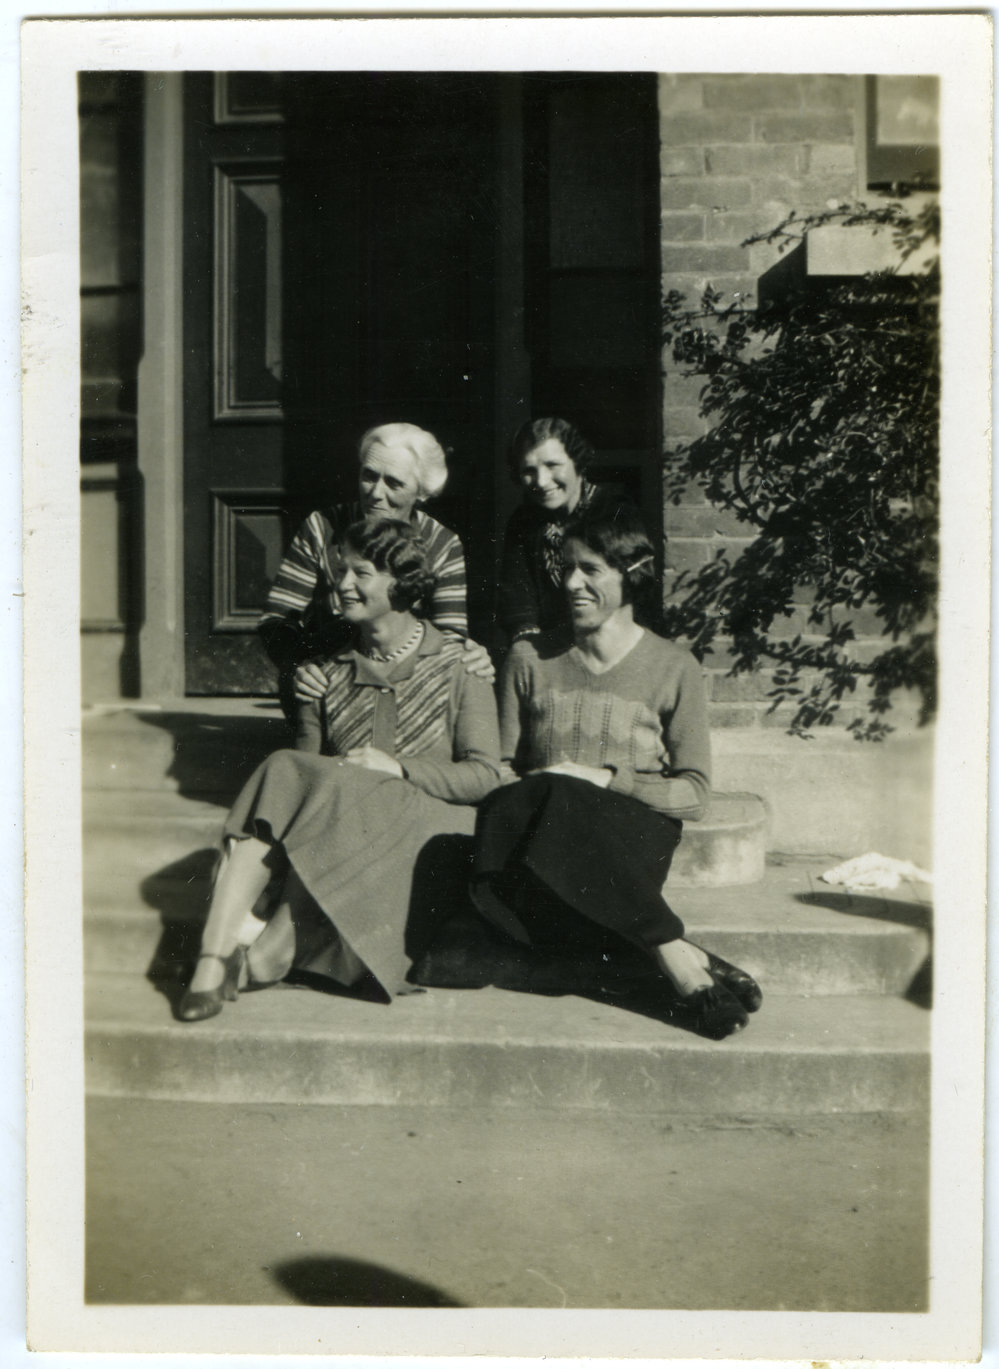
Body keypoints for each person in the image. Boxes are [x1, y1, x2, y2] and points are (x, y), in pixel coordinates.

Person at [178, 517, 501, 1022]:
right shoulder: (326, 669)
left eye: (361, 573)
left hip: (429, 832)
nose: (341, 583)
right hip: (346, 827)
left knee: (361, 789)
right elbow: (306, 780)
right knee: (289, 767)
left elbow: (486, 775)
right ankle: (212, 959)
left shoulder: (460, 666)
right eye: (341, 570)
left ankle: (263, 958)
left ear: (402, 582)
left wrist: (397, 768)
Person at [472, 503, 762, 1040]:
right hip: (541, 842)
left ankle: (674, 959)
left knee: (567, 790)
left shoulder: (674, 667)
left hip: (630, 838)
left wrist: (606, 779)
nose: (571, 584)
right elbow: (499, 771)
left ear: (632, 575)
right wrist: (555, 783)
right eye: (566, 569)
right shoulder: (528, 659)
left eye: (590, 570)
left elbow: (695, 795)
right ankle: (678, 955)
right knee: (549, 793)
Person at [260, 421, 492, 719]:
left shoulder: (442, 543)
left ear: (422, 492)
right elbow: (277, 619)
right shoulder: (322, 527)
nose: (375, 493)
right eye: (369, 476)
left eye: (394, 483)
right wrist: (299, 666)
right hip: (326, 674)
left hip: (410, 679)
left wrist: (469, 656)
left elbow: (450, 631)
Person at [499, 416, 616, 643]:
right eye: (529, 470)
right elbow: (517, 598)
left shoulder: (613, 513)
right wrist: (528, 641)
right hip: (549, 649)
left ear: (577, 462)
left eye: (552, 465)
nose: (541, 481)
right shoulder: (524, 521)